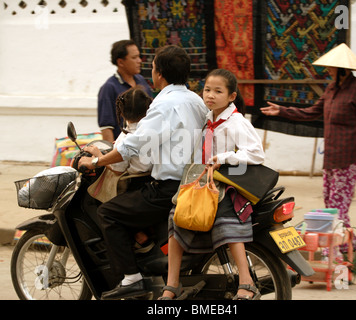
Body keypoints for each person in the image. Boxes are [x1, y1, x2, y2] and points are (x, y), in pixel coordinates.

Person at [79, 45, 208, 300]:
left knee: (108, 213)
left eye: (152, 66)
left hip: (169, 187)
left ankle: (132, 278)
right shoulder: (195, 100)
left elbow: (132, 145)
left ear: (159, 74)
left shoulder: (164, 104)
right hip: (193, 181)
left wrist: (97, 162)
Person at [261, 43, 356, 251]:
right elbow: (310, 113)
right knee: (331, 207)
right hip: (331, 158)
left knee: (337, 209)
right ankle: (352, 245)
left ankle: (335, 252)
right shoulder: (332, 88)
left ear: (342, 68)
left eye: (331, 66)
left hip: (349, 158)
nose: (328, 70)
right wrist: (281, 110)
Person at [159, 69, 265, 300]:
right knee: (175, 218)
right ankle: (172, 284)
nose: (210, 95)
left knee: (227, 224)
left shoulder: (235, 122)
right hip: (202, 183)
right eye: (207, 89)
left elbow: (257, 153)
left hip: (227, 184)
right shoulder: (207, 119)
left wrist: (226, 158)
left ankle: (246, 283)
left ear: (231, 96)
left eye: (218, 91)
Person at [86, 86, 154, 249]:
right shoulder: (153, 128)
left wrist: (98, 156)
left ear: (121, 112)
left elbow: (117, 168)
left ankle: (138, 237)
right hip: (152, 179)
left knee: (103, 207)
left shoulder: (126, 137)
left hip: (134, 185)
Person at [98, 40, 153, 143]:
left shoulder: (141, 81)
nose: (139, 61)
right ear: (120, 62)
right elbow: (106, 127)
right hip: (123, 149)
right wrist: (111, 156)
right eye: (134, 57)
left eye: (139, 56)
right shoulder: (109, 88)